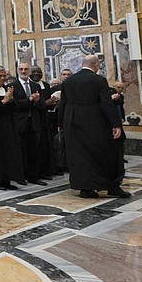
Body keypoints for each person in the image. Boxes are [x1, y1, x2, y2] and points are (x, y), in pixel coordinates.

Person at [59, 54, 126, 199]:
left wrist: (61, 124)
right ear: (96, 65)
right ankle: (112, 186)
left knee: (78, 156)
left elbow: (62, 104)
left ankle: (85, 188)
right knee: (106, 152)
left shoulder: (69, 81)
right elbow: (106, 104)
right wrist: (115, 124)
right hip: (94, 121)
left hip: (72, 122)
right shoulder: (99, 80)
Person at [12, 62, 48, 186]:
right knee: (20, 151)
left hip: (34, 122)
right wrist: (29, 100)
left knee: (34, 151)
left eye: (26, 69)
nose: (23, 71)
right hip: (20, 123)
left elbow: (43, 105)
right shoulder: (12, 86)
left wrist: (37, 101)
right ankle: (20, 176)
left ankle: (34, 176)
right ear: (17, 71)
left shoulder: (35, 85)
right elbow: (15, 105)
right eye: (21, 69)